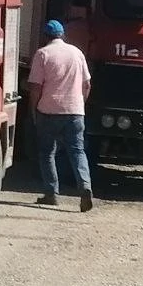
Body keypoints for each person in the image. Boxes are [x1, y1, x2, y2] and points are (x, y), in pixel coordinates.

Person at [27, 19, 94, 210]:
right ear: (62, 35)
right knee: (77, 151)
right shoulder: (77, 53)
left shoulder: (43, 54)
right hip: (75, 111)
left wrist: (33, 110)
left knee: (47, 152)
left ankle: (51, 193)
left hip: (49, 110)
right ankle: (85, 187)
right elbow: (87, 85)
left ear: (45, 36)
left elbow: (35, 87)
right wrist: (80, 104)